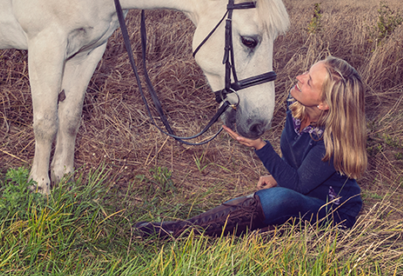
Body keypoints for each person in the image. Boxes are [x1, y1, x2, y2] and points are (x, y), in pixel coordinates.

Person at [134, 56, 368, 238]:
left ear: (325, 103)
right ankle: (192, 227)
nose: (299, 76)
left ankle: (176, 232)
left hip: (333, 212)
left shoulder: (331, 142)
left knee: (280, 199)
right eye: (307, 71)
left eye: (309, 81)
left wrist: (260, 146)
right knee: (272, 196)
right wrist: (278, 177)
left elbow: (298, 185)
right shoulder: (296, 107)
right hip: (304, 194)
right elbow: (299, 163)